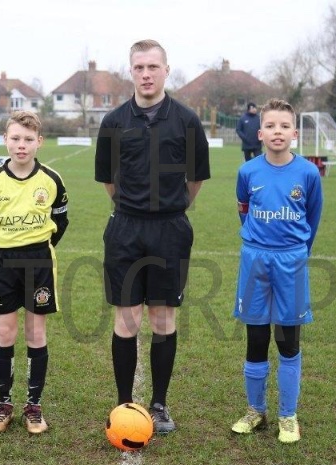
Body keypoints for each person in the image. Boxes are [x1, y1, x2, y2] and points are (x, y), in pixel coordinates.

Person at [94, 39, 210, 434]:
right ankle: (124, 404)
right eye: (139, 67)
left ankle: (159, 405)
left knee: (163, 318)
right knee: (126, 319)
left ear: (166, 70)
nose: (146, 74)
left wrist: (168, 210)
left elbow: (195, 180)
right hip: (125, 229)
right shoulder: (113, 122)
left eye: (153, 67)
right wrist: (134, 207)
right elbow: (108, 180)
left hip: (170, 230)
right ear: (131, 71)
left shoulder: (187, 121)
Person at [231, 98, 323, 443]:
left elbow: (313, 217)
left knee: (287, 341)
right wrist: (259, 242)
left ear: (295, 133)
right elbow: (244, 210)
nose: (277, 131)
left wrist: (297, 252)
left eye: (284, 126)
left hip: (291, 262)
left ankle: (288, 415)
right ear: (260, 134)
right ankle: (256, 411)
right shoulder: (248, 172)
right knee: (256, 339)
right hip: (255, 260)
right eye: (270, 126)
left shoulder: (308, 173)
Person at [0, 110, 69, 434]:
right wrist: (8, 246)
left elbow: (61, 221)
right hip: (4, 261)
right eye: (15, 138)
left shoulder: (52, 180)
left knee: (35, 333)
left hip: (39, 260)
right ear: (5, 139)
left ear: (39, 142)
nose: (21, 145)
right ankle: (4, 404)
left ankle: (34, 406)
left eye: (28, 139)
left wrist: (38, 246)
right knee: (5, 332)